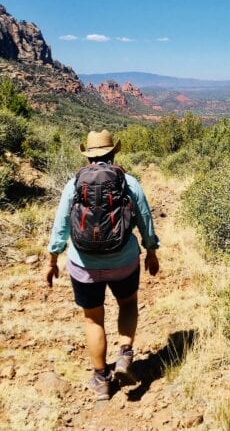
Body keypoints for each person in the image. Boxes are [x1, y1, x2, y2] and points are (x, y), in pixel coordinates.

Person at [45, 129, 160, 401]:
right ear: (113, 153)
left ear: (88, 156)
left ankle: (101, 380)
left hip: (83, 264)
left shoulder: (74, 185)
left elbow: (60, 225)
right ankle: (124, 355)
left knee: (93, 318)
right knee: (128, 304)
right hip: (123, 260)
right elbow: (145, 218)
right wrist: (151, 251)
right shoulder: (128, 182)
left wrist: (52, 259)